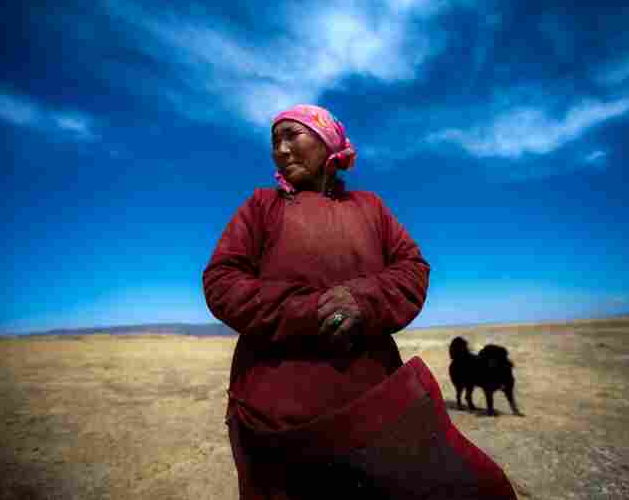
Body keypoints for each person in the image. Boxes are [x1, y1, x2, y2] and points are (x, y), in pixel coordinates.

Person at [202, 104, 517, 499]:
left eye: (291, 135)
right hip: (274, 418)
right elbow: (222, 280)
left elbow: (412, 269)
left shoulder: (370, 208)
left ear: (327, 142)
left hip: (375, 406)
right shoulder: (262, 206)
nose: (279, 150)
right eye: (274, 141)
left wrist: (362, 302)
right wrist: (312, 313)